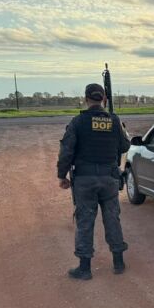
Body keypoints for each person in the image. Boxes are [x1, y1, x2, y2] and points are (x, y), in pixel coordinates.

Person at [57, 84, 130, 280]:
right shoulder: (114, 121)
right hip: (109, 178)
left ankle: (84, 268)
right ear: (104, 98)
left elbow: (67, 151)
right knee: (112, 219)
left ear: (86, 98)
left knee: (85, 221)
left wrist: (61, 175)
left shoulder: (78, 122)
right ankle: (118, 262)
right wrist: (122, 129)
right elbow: (125, 145)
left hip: (85, 180)